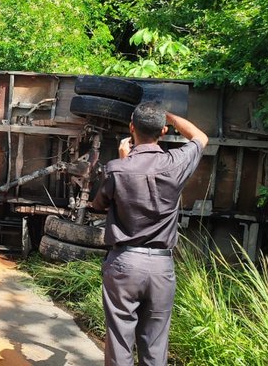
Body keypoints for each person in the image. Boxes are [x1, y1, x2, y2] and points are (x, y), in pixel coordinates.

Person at [92, 102, 208, 366]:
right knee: (155, 344)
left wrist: (124, 161)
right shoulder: (177, 163)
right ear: (164, 131)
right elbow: (200, 137)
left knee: (120, 340)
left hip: (124, 263)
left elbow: (99, 205)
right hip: (161, 265)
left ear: (131, 128)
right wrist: (167, 115)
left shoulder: (116, 168)